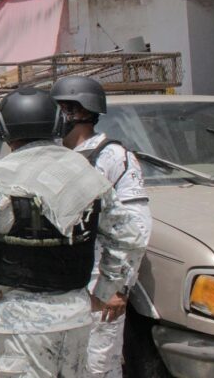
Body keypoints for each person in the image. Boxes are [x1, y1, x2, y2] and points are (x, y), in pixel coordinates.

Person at [0, 87, 146, 378]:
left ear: (3, 130)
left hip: (20, 323)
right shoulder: (86, 173)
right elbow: (129, 237)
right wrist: (104, 291)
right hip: (76, 317)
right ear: (57, 124)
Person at [52, 77, 152, 378]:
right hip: (62, 284)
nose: (54, 117)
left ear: (78, 112)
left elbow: (136, 227)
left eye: (60, 109)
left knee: (98, 367)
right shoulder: (55, 156)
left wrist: (117, 287)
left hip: (99, 285)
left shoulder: (114, 157)